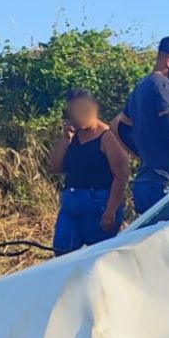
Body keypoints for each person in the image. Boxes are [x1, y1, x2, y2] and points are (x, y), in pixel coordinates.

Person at [114, 36, 169, 216]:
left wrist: (145, 154)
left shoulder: (141, 86)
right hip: (167, 185)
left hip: (145, 183)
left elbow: (121, 126)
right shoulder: (164, 86)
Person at [48, 89, 130, 255]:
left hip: (98, 203)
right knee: (63, 253)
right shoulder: (72, 136)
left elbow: (121, 175)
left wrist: (111, 210)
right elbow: (56, 167)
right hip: (71, 203)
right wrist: (66, 139)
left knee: (98, 257)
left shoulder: (108, 136)